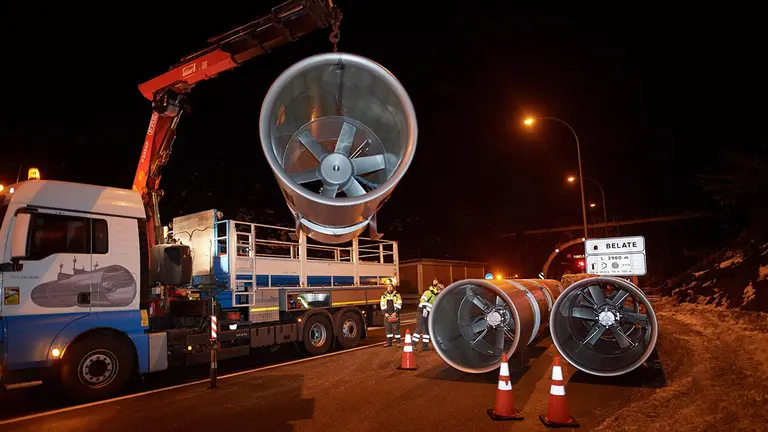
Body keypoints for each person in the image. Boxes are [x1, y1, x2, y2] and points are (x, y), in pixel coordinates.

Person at [413, 278, 443, 351]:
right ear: (438, 289)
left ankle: (425, 346)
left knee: (426, 330)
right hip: (421, 312)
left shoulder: (437, 296)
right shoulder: (428, 293)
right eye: (440, 291)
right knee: (419, 328)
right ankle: (413, 344)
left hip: (428, 314)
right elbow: (422, 301)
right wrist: (425, 309)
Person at [380, 281, 403, 347]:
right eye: (388, 287)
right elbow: (382, 304)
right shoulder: (384, 295)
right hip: (387, 314)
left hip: (394, 313)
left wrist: (395, 312)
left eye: (391, 286)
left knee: (396, 329)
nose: (389, 288)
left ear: (393, 288)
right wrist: (385, 313)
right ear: (387, 288)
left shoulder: (397, 295)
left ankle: (398, 343)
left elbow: (399, 304)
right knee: (388, 329)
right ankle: (389, 343)